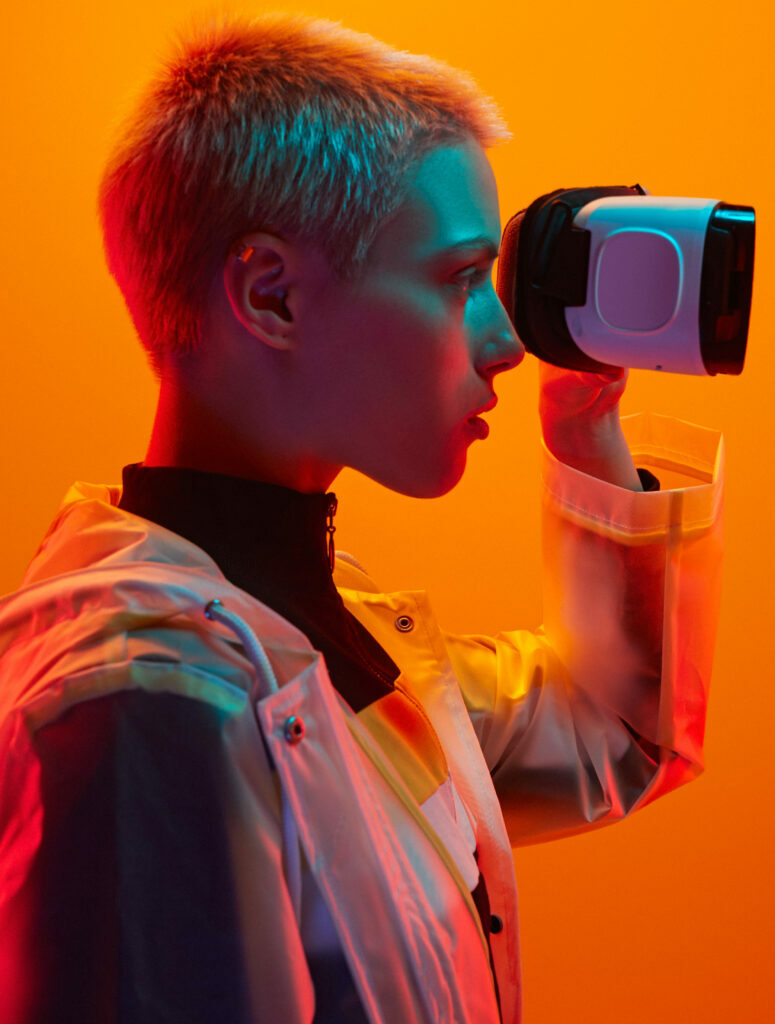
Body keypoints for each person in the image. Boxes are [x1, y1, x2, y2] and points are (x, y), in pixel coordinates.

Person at [0, 13, 725, 1024]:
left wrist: (585, 425)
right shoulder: (145, 698)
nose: (508, 340)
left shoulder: (313, 626)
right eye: (461, 278)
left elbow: (610, 740)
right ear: (272, 296)